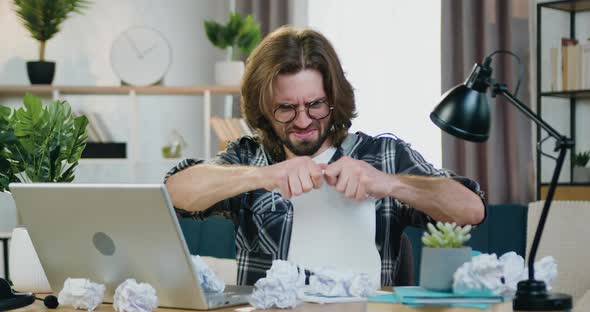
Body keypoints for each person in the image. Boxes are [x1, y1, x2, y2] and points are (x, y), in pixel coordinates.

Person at [165, 26, 485, 286]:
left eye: (315, 105)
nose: (303, 121)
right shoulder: (250, 156)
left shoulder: (384, 154)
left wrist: (388, 183)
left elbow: (471, 209)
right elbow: (174, 193)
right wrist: (262, 175)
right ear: (264, 108)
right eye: (286, 108)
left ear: (334, 99)